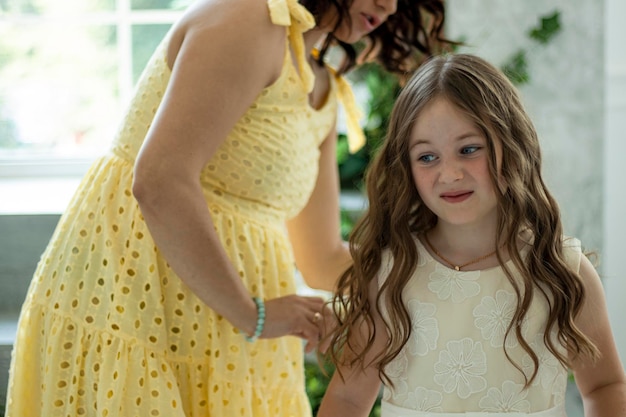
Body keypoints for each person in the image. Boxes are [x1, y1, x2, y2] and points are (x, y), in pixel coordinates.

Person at [4, 0, 452, 416]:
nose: (390, 5)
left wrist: (438, 275)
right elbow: (160, 181)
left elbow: (321, 260)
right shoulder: (249, 18)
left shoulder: (320, 90)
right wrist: (250, 313)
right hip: (135, 306)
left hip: (235, 340)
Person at [317, 53, 626, 417]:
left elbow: (606, 386)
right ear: (406, 167)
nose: (449, 173)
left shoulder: (561, 270)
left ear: (511, 147)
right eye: (427, 157)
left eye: (468, 150)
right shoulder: (390, 274)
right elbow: (348, 399)